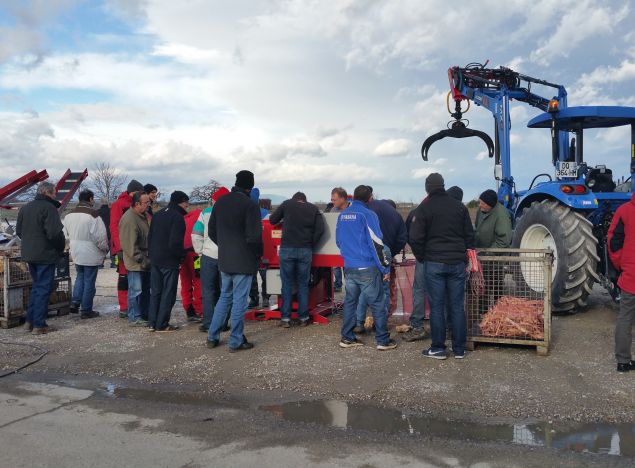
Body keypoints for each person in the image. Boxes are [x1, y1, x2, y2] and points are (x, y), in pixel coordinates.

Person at [409, 173, 474, 360]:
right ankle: (459, 349)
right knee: (456, 306)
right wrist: (462, 256)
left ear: (427, 188)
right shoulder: (459, 207)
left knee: (436, 307)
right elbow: (469, 236)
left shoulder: (425, 208)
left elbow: (414, 238)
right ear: (443, 186)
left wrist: (423, 257)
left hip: (434, 263)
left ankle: (438, 348)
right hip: (457, 264)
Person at [335, 185, 397, 351]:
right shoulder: (368, 215)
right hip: (367, 267)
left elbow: (339, 242)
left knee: (350, 302)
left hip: (350, 267)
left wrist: (350, 256)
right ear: (370, 198)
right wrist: (385, 268)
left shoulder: (342, 216)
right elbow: (377, 244)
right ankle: (383, 340)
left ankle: (347, 338)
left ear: (353, 197)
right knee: (377, 303)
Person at [207, 170, 262, 352]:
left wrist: (224, 246)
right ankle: (236, 340)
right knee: (239, 301)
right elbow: (254, 237)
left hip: (225, 258)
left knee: (224, 297)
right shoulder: (250, 205)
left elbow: (212, 231)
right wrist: (257, 255)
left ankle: (212, 336)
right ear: (250, 186)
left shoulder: (221, 202)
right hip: (243, 261)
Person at [269, 191, 325, 327]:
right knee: (303, 284)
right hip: (305, 250)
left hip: (287, 249)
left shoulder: (287, 204)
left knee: (287, 284)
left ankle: (286, 319)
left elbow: (272, 220)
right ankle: (304, 318)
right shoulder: (313, 208)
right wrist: (311, 243)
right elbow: (320, 229)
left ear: (294, 199)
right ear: (304, 200)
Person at [355, 188, 407, 332]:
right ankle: (380, 323)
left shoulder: (366, 208)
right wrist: (390, 252)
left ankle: (359, 322)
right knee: (384, 289)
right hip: (385, 250)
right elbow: (403, 237)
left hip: (366, 253)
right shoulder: (394, 214)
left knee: (366, 287)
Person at [16, 182, 65, 335]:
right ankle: (39, 324)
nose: (56, 195)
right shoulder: (49, 208)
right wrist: (59, 248)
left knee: (37, 287)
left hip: (30, 254)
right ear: (48, 193)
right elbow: (54, 233)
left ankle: (29, 322)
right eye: (54, 193)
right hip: (45, 254)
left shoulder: (25, 208)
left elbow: (19, 232)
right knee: (44, 288)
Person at [63, 189, 109, 319]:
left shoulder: (69, 215)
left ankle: (75, 301)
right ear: (90, 199)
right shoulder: (94, 215)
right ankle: (86, 309)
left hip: (76, 249)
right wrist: (105, 249)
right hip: (90, 251)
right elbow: (100, 237)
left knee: (80, 277)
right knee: (89, 280)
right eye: (93, 199)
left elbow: (66, 234)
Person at [147, 191, 189, 332]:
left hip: (155, 259)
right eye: (186, 203)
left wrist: (151, 255)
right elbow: (175, 243)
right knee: (168, 293)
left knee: (156, 292)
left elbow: (150, 236)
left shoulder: (158, 214)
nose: (187, 206)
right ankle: (162, 323)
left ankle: (152, 323)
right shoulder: (177, 217)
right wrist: (182, 255)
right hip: (169, 260)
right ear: (181, 202)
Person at [192, 186, 230, 333]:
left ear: (214, 200)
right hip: (227, 256)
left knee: (208, 291)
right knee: (225, 291)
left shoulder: (205, 213)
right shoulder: (231, 213)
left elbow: (196, 234)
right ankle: (223, 323)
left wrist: (201, 252)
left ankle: (208, 322)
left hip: (208, 256)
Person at [607, 195, 635, 372]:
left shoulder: (624, 210)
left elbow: (613, 243)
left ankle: (623, 361)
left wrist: (620, 266)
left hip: (631, 276)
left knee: (625, 317)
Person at [110, 179, 144, 318]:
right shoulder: (119, 205)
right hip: (123, 249)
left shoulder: (135, 204)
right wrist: (120, 248)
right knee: (124, 278)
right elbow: (114, 227)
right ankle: (125, 307)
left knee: (135, 278)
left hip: (135, 247)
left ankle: (135, 306)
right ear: (133, 191)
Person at [119, 191, 151, 326]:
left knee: (143, 291)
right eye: (146, 203)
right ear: (137, 204)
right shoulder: (129, 219)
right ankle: (134, 316)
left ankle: (143, 314)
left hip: (144, 261)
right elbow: (130, 246)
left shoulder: (142, 216)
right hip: (136, 263)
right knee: (135, 291)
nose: (149, 205)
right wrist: (143, 261)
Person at [248, 187, 270, 308]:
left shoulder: (245, 211)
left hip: (251, 250)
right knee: (265, 274)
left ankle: (254, 298)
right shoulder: (265, 213)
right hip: (264, 249)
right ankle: (265, 297)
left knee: (252, 275)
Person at [181, 205, 203, 321]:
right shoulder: (201, 218)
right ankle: (199, 310)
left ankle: (188, 309)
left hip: (182, 254)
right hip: (195, 254)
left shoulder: (183, 218)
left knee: (185, 282)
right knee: (198, 281)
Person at [325, 187, 349, 292]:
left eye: (334, 199)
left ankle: (350, 289)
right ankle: (338, 284)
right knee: (335, 266)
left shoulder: (351, 209)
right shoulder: (333, 210)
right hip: (336, 245)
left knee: (348, 269)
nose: (332, 202)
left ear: (343, 199)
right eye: (332, 199)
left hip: (349, 246)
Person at [97, 198, 115, 268]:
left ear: (100, 204)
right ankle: (114, 263)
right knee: (112, 249)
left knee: (101, 249)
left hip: (101, 234)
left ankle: (100, 264)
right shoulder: (112, 211)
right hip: (111, 232)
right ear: (108, 203)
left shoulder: (97, 212)